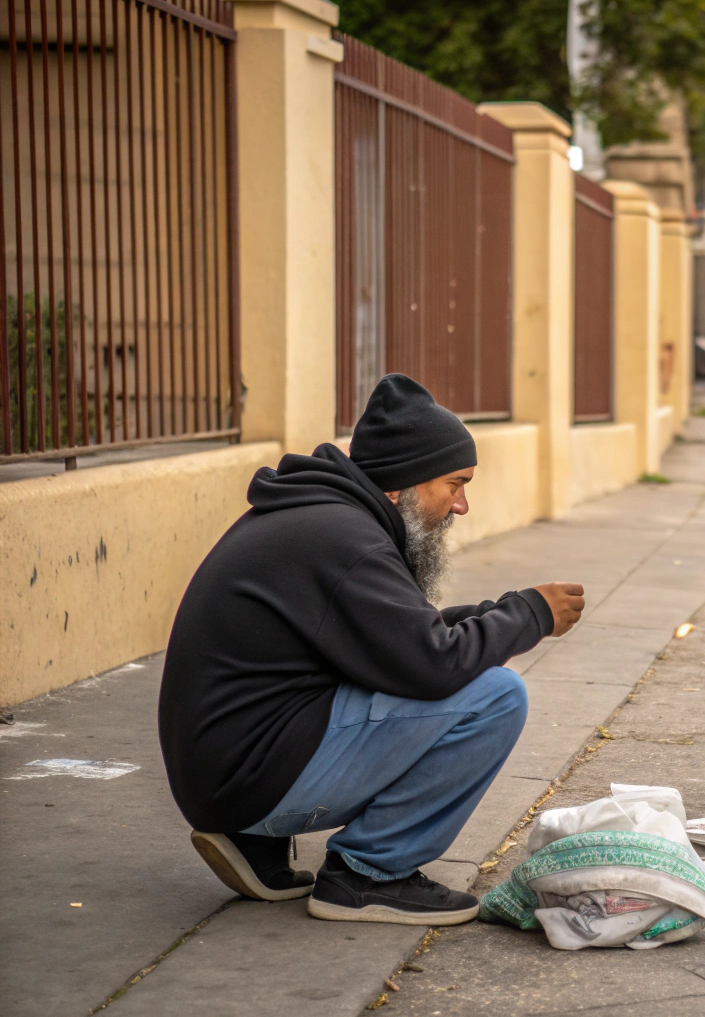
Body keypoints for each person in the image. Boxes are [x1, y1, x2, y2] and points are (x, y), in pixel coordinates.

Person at [158, 374, 585, 925]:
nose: (461, 506)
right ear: (400, 485)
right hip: (248, 777)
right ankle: (369, 875)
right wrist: (528, 614)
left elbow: (394, 640)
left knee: (459, 673)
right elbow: (432, 665)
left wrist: (488, 614)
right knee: (495, 695)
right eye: (454, 484)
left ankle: (254, 844)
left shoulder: (321, 519)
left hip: (227, 773)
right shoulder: (345, 539)